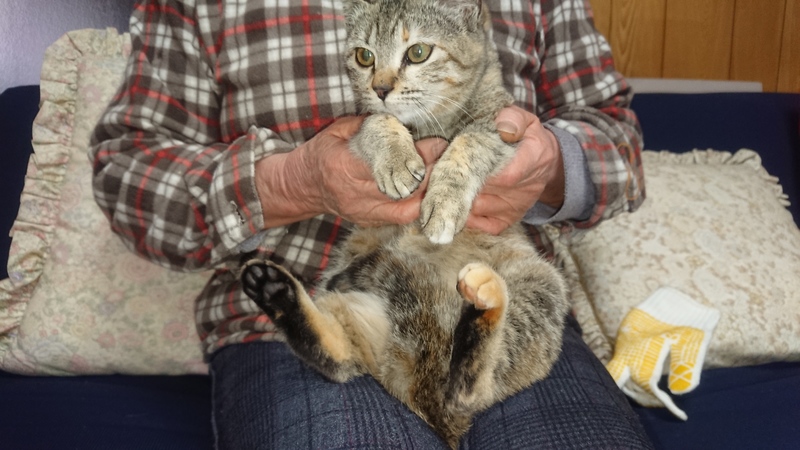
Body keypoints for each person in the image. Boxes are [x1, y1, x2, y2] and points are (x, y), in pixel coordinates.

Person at [90, 0, 651, 448]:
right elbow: (125, 173)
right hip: (317, 296)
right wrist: (293, 182)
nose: (380, 85)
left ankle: (468, 349)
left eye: (414, 55)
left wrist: (551, 166)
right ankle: (332, 334)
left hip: (504, 295)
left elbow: (616, 139)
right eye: (364, 61)